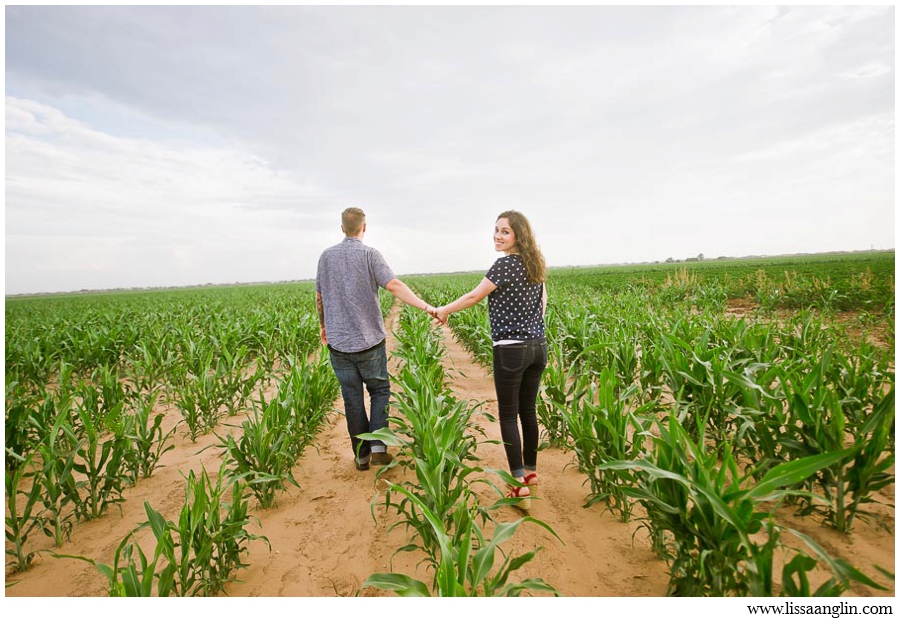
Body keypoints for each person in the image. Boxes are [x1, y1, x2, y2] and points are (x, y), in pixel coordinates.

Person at [434, 210, 547, 509]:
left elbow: (474, 296)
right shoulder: (535, 263)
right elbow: (543, 304)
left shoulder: (505, 264)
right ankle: (531, 474)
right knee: (528, 411)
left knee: (509, 415)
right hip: (538, 346)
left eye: (505, 231)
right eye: (496, 230)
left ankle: (517, 485)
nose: (497, 235)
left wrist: (445, 310)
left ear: (518, 236)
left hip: (511, 349)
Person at [316, 207, 439, 471]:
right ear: (364, 227)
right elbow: (393, 285)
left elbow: (320, 296)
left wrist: (323, 326)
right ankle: (379, 446)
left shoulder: (326, 257)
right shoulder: (370, 254)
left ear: (341, 228)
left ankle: (361, 457)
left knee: (352, 399)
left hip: (339, 343)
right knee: (380, 390)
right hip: (370, 340)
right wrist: (427, 307)